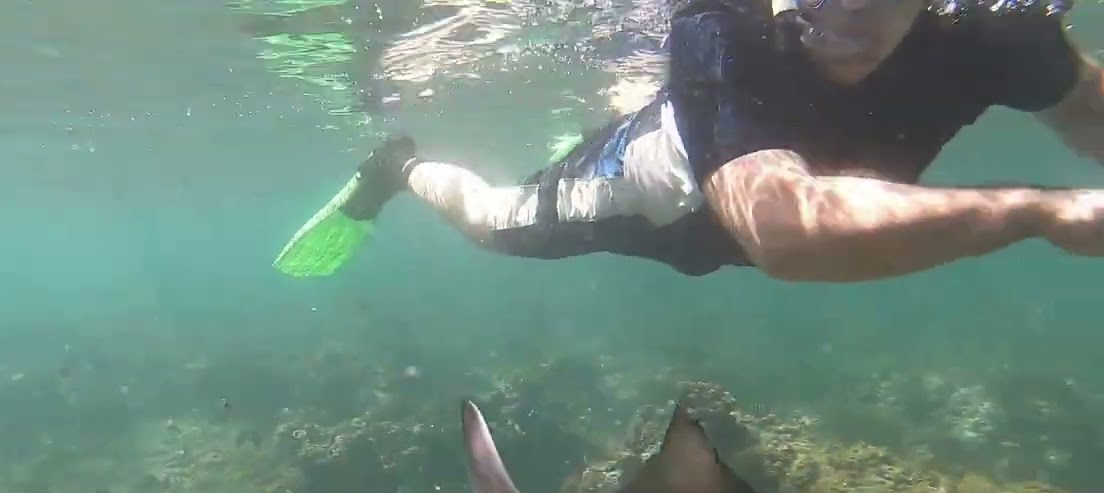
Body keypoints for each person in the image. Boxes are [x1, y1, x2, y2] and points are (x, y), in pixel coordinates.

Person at [272, 0, 1103, 281]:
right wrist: (1037, 212)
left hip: (754, 192)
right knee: (495, 222)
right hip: (655, 188)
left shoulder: (999, 34)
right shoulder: (721, 27)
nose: (837, 10)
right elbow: (789, 232)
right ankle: (398, 166)